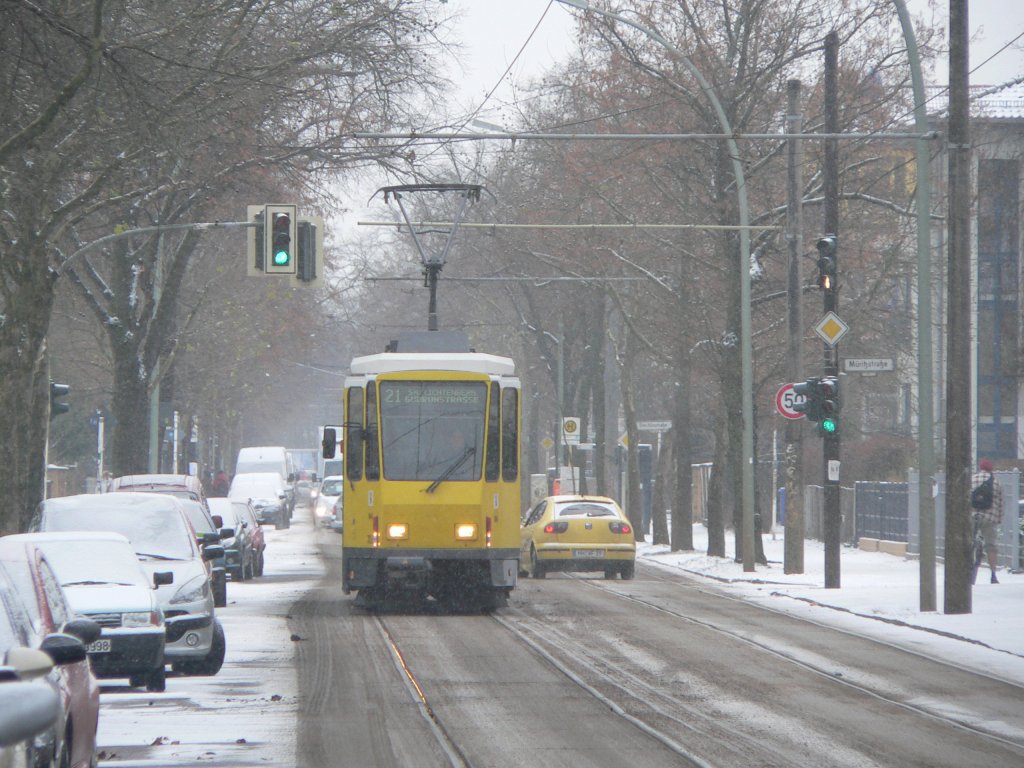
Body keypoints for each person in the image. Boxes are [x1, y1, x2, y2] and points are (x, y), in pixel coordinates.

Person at [969, 458, 1003, 584]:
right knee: (991, 545)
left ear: (980, 467)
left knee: (969, 543)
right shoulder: (996, 483)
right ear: (991, 468)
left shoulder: (972, 479)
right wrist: (998, 519)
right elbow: (1000, 503)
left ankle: (969, 568)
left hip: (973, 516)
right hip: (990, 518)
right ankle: (993, 574)